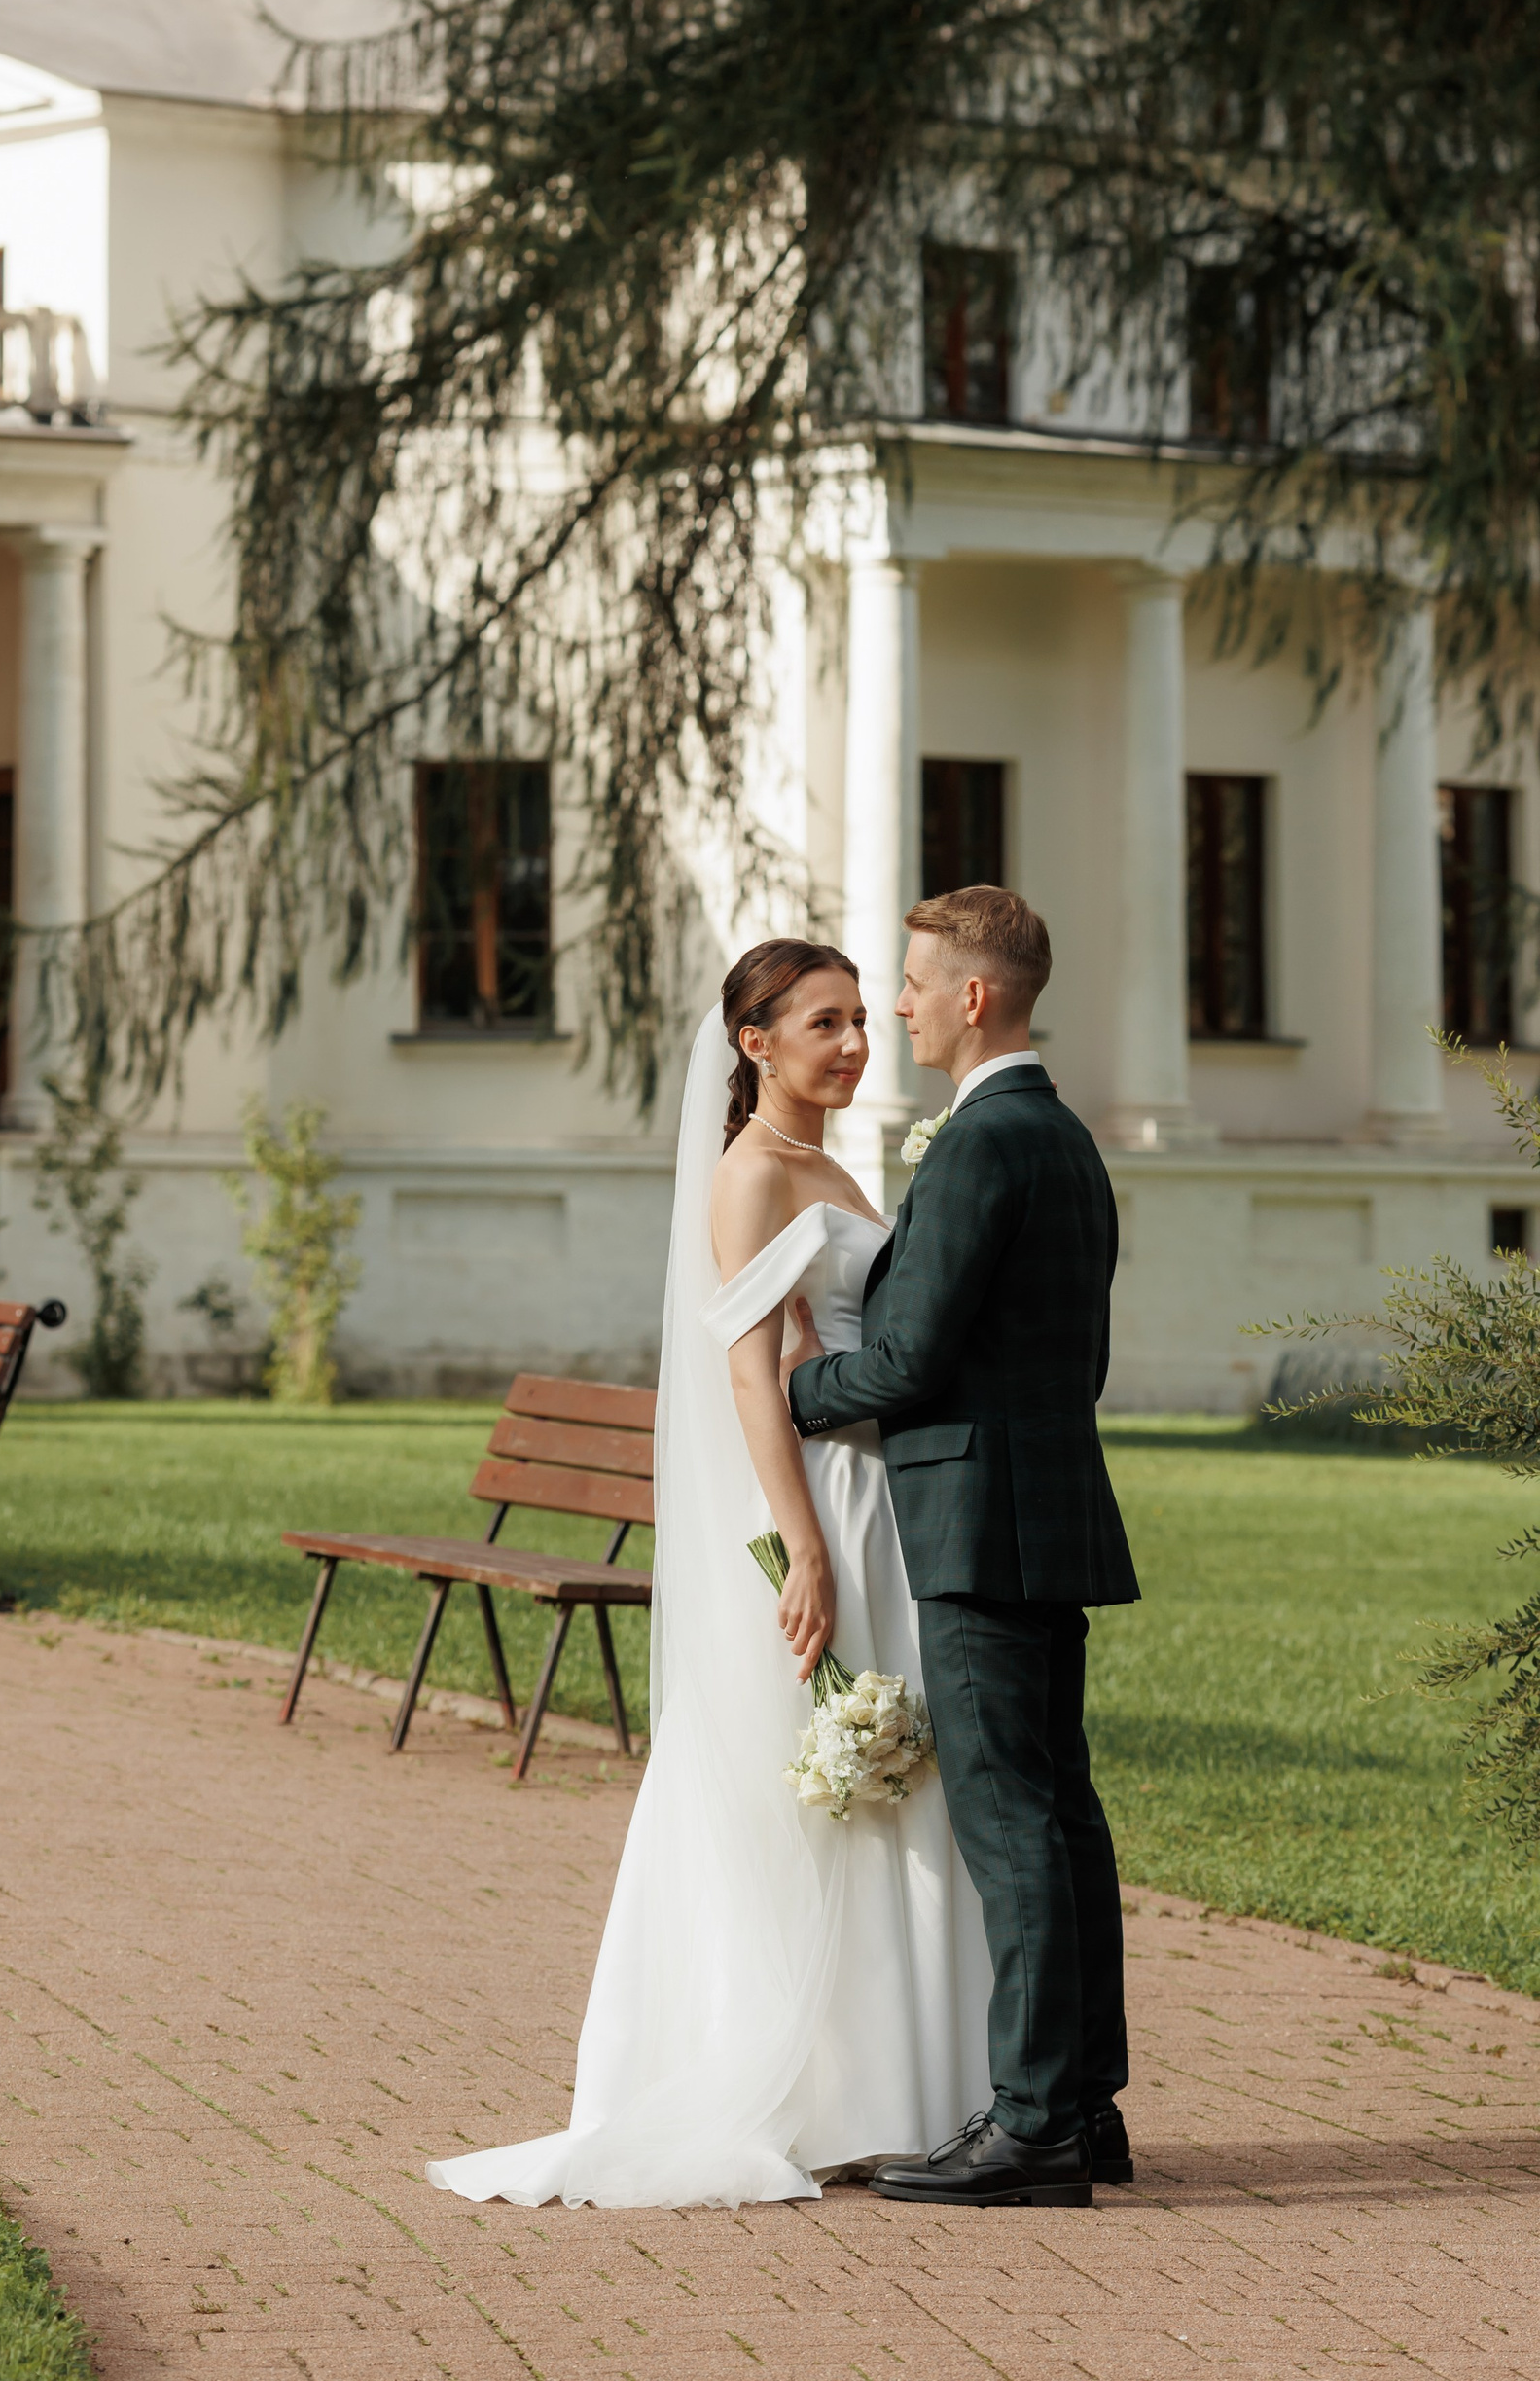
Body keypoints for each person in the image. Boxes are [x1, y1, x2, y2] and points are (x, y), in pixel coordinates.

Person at [426, 937, 992, 2210]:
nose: (856, 1043)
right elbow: (749, 1375)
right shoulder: (750, 1173)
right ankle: (810, 2088)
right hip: (817, 1499)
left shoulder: (831, 1164)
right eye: (825, 1023)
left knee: (886, 1781)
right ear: (755, 1042)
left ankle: (897, 2089)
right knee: (806, 1778)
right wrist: (803, 1543)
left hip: (877, 1496)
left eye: (862, 1019)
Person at [785, 885, 1138, 2207]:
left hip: (978, 1523)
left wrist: (792, 1391)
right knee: (1063, 1813)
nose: (900, 1008)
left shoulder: (983, 1145)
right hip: (1048, 1507)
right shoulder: (1066, 1139)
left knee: (1011, 1820)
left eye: (915, 984)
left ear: (974, 996)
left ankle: (1035, 2126)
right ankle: (1085, 2106)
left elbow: (910, 1359)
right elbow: (1077, 1355)